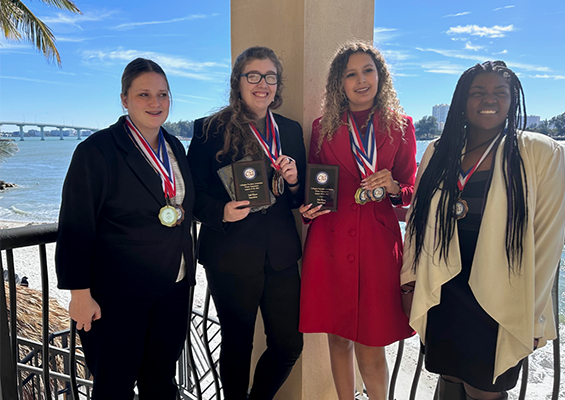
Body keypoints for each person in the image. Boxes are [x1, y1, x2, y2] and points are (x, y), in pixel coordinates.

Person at [402, 61, 565, 400]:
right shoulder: (438, 151)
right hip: (444, 288)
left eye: (499, 93)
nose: (488, 100)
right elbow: (417, 223)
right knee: (448, 380)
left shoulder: (540, 152)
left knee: (486, 391)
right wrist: (410, 283)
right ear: (462, 100)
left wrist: (534, 316)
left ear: (512, 101)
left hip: (500, 297)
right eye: (478, 92)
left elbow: (547, 244)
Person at [55, 58, 195, 400]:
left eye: (163, 95)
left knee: (161, 381)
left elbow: (183, 206)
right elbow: (75, 224)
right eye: (144, 94)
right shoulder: (96, 150)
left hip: (172, 287)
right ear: (124, 99)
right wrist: (79, 293)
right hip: (117, 296)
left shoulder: (174, 146)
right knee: (114, 386)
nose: (155, 103)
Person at [299, 41, 416, 400]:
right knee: (337, 337)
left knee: (371, 342)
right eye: (351, 74)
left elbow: (410, 192)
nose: (361, 80)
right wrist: (309, 208)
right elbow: (318, 185)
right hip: (330, 241)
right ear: (340, 82)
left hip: (377, 247)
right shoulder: (322, 127)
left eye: (368, 71)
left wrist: (394, 186)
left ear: (381, 77)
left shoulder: (402, 125)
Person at [187, 46, 305, 400]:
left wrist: (296, 180)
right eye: (253, 75)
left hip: (281, 255)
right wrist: (221, 211)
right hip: (230, 253)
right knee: (236, 345)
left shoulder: (290, 130)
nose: (262, 84)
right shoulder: (210, 129)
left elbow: (298, 201)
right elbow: (193, 195)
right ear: (237, 82)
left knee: (289, 344)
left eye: (270, 77)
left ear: (277, 84)